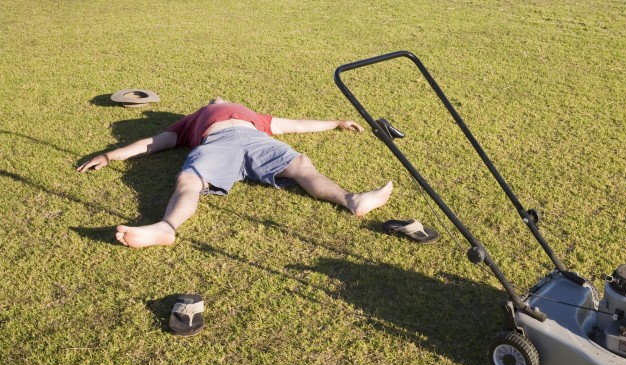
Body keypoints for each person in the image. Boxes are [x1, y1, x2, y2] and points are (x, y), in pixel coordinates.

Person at [77, 96, 393, 249]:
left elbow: (293, 125)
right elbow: (155, 142)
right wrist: (111, 155)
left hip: (257, 140)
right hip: (217, 143)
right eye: (214, 100)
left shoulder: (253, 116)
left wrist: (336, 122)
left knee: (300, 165)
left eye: (221, 98)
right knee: (189, 181)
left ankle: (352, 200)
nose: (218, 97)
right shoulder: (194, 119)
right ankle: (165, 227)